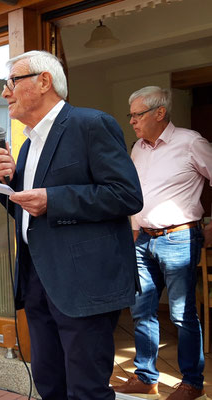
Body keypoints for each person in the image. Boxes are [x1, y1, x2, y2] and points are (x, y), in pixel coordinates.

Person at [0, 51, 143, 400]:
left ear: (43, 82)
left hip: (83, 284)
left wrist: (54, 200)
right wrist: (10, 186)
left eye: (11, 82)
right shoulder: (28, 145)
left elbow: (126, 195)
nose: (5, 93)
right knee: (50, 385)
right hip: (38, 281)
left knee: (86, 390)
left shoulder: (91, 124)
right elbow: (31, 211)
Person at [113, 86, 212, 400]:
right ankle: (146, 377)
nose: (132, 121)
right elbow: (134, 194)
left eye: (137, 114)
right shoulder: (138, 148)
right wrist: (132, 231)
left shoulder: (190, 142)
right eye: (130, 115)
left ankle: (192, 383)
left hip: (179, 237)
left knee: (182, 314)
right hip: (143, 239)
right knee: (141, 310)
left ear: (160, 112)